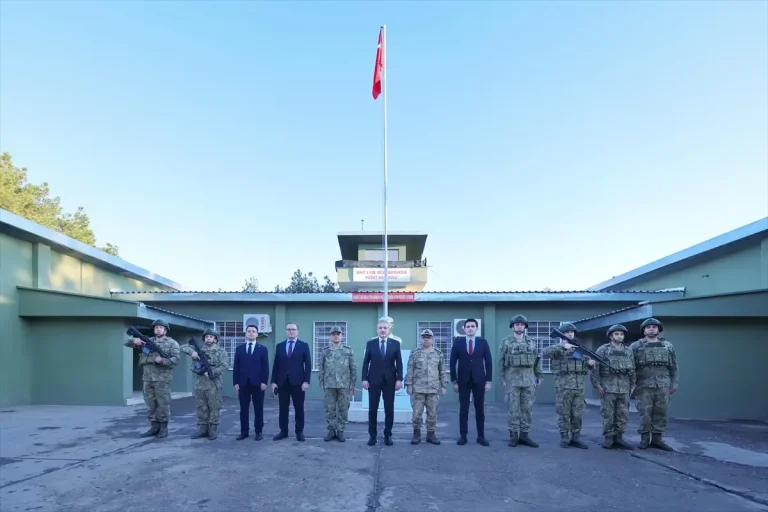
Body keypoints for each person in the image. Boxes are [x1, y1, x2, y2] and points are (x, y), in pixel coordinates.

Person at [123, 319, 180, 439]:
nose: (158, 329)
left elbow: (176, 359)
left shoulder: (172, 343)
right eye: (156, 327)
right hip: (147, 378)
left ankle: (163, 428)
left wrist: (163, 361)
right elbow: (125, 343)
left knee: (162, 403)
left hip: (162, 379)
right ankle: (154, 427)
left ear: (165, 330)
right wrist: (135, 341)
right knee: (150, 403)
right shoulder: (146, 341)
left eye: (161, 327)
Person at [544, 322, 596, 449]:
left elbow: (587, 367)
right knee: (564, 413)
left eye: (572, 332)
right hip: (564, 387)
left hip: (579, 388)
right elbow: (545, 352)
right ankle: (564, 437)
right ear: (562, 334)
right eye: (567, 332)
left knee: (577, 414)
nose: (570, 334)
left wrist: (591, 363)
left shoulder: (579, 350)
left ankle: (576, 438)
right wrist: (563, 347)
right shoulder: (558, 349)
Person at [629, 317, 678, 451]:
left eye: (654, 327)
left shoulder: (668, 346)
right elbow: (630, 367)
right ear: (644, 331)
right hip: (643, 386)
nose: (651, 328)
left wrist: (674, 383)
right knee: (644, 413)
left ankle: (657, 440)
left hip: (663, 385)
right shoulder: (635, 346)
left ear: (658, 330)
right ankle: (644, 439)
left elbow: (673, 366)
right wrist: (632, 385)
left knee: (661, 413)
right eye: (648, 327)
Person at [498, 314, 542, 448]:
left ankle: (525, 435)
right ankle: (513, 436)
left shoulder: (532, 342)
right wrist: (502, 378)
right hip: (513, 381)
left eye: (522, 324)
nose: (519, 326)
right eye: (517, 324)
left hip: (528, 381)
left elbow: (536, 361)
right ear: (512, 326)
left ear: (525, 326)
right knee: (513, 409)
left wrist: (538, 376)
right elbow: (501, 361)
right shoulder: (506, 342)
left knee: (527, 409)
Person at [591, 324, 636, 449]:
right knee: (608, 414)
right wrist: (597, 386)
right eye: (616, 334)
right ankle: (609, 438)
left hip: (624, 388)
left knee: (622, 414)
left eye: (621, 334)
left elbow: (632, 370)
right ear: (610, 336)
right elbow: (595, 370)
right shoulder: (603, 350)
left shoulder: (628, 351)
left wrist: (632, 387)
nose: (619, 336)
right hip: (607, 389)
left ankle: (619, 438)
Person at [449, 318, 492, 446]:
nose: (470, 328)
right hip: (463, 380)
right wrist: (454, 381)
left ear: (476, 328)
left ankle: (481, 436)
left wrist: (488, 381)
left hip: (479, 380)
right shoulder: (458, 343)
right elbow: (452, 363)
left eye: (473, 326)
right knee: (464, 410)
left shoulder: (483, 343)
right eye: (468, 326)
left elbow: (488, 362)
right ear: (464, 329)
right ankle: (463, 436)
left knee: (480, 409)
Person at [180, 327, 229, 440]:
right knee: (201, 408)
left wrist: (212, 372)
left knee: (214, 408)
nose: (208, 338)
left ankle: (212, 431)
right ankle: (202, 430)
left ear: (215, 339)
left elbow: (224, 365)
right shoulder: (199, 350)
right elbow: (182, 347)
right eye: (207, 337)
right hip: (200, 384)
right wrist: (192, 352)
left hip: (214, 384)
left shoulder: (221, 352)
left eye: (211, 337)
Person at [361, 318, 404, 446]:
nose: (383, 330)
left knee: (389, 409)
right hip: (373, 381)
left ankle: (388, 435)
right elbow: (365, 363)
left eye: (385, 328)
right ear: (377, 329)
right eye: (380, 328)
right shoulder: (371, 343)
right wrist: (364, 378)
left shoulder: (395, 344)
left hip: (389, 382)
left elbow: (399, 363)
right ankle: (372, 436)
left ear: (389, 329)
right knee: (372, 410)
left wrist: (399, 379)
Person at [405, 329, 448, 445]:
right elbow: (410, 369)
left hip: (433, 389)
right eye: (424, 337)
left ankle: (431, 434)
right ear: (421, 339)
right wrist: (409, 385)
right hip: (418, 389)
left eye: (429, 337)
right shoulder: (415, 353)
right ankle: (416, 434)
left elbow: (442, 371)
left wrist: (444, 385)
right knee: (417, 413)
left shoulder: (438, 353)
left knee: (432, 413)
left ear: (432, 339)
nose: (426, 338)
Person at [271, 323, 312, 441]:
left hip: (298, 383)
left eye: (293, 329)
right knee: (283, 408)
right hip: (282, 382)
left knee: (299, 408)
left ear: (297, 331)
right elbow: (276, 365)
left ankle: (299, 432)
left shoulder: (303, 346)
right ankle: (283, 431)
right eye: (289, 329)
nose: (291, 331)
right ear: (286, 331)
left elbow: (308, 365)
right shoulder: (280, 346)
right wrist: (273, 381)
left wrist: (306, 381)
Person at [318, 325, 357, 442]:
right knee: (330, 409)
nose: (335, 336)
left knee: (343, 409)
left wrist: (352, 383)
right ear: (330, 336)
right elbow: (321, 368)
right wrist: (321, 381)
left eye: (338, 334)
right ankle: (331, 430)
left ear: (342, 336)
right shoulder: (325, 351)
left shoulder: (348, 350)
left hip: (344, 385)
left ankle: (340, 431)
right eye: (333, 334)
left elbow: (353, 368)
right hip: (329, 384)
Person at [232, 321, 269, 441]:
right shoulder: (239, 349)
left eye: (253, 331)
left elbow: (265, 367)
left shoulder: (262, 349)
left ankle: (259, 431)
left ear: (257, 334)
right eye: (249, 331)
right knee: (243, 409)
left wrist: (264, 381)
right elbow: (236, 367)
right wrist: (235, 383)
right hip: (243, 384)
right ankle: (244, 431)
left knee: (258, 409)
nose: (251, 333)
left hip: (258, 384)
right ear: (246, 334)